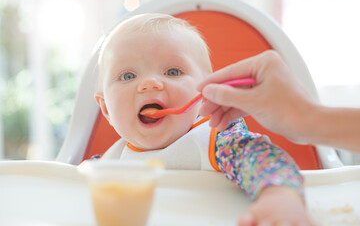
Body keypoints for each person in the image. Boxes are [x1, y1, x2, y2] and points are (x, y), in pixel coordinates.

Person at [94, 13, 313, 225]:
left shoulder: (219, 142)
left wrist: (278, 195)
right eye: (128, 76)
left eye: (172, 72)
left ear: (204, 93)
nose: (150, 83)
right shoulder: (107, 164)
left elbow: (264, 160)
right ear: (106, 109)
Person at [198, 50, 360, 154]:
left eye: (174, 72)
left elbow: (269, 166)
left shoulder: (223, 140)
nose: (170, 84)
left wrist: (277, 194)